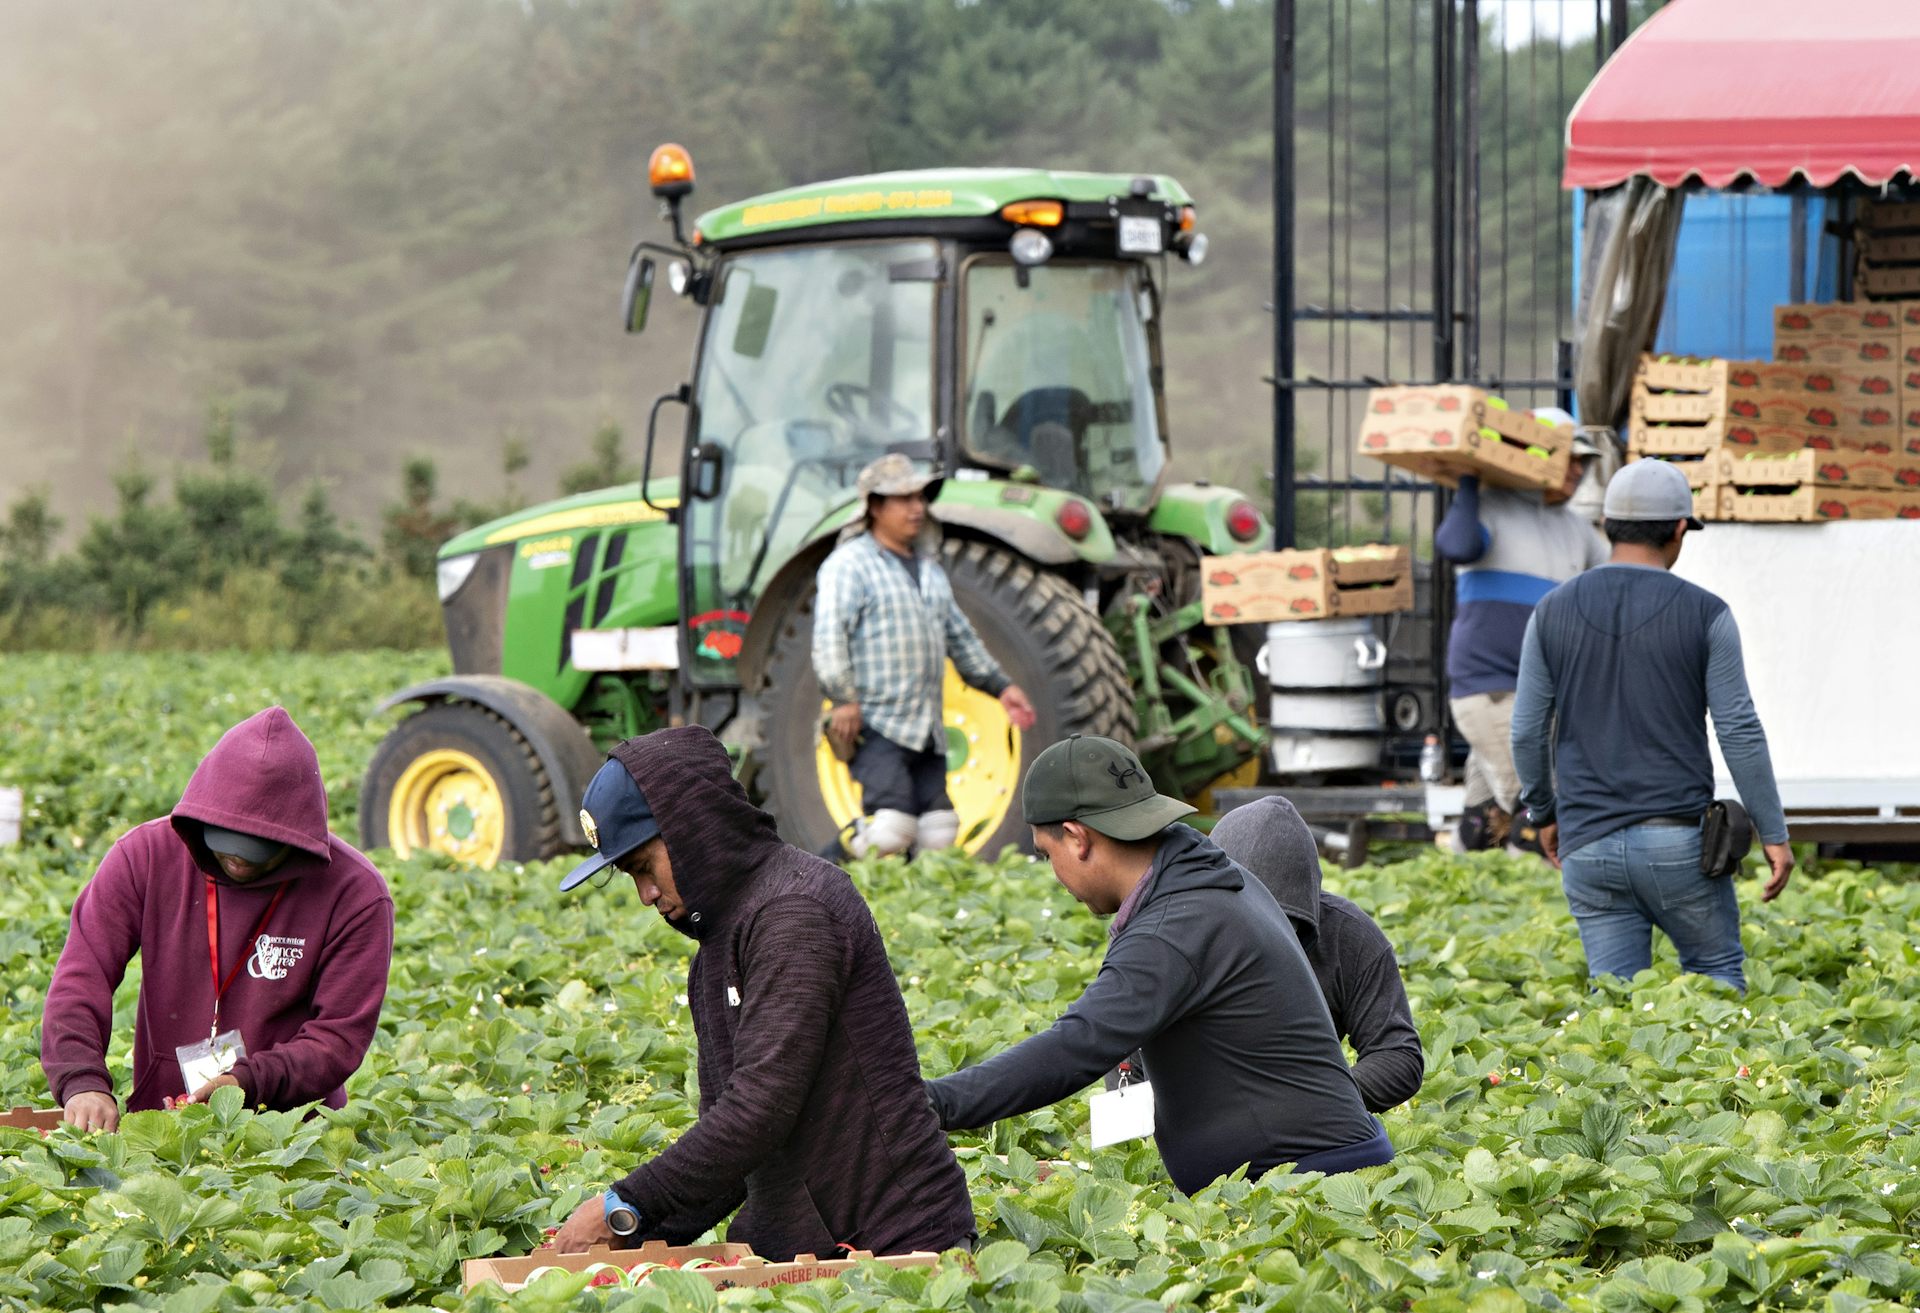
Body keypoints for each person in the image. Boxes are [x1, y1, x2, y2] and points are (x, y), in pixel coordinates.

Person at [550, 726, 976, 1260]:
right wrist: (627, 1239)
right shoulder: (715, 949)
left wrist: (625, 1204)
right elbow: (731, 1156)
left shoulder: (795, 912)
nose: (645, 895)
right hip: (799, 1260)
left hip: (896, 1248)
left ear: (692, 830)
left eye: (643, 867)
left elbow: (761, 1107)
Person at [924, 735, 1392, 1191]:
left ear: (1076, 837)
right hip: (1310, 1171)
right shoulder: (1216, 879)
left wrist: (931, 1104)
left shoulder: (1175, 926)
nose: (1055, 874)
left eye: (1047, 855)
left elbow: (1076, 1046)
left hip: (1309, 1186)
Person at [1510, 459, 1793, 992]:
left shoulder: (1550, 611)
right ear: (1680, 528)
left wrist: (1544, 811)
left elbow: (1526, 730)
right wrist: (1773, 832)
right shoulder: (1707, 613)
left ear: (1607, 525)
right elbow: (1738, 728)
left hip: (1587, 846)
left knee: (1616, 1005)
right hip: (1679, 845)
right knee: (1715, 980)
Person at [42, 707, 394, 1131]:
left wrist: (246, 1081)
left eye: (256, 851)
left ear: (297, 840)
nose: (237, 860)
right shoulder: (145, 858)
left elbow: (336, 1039)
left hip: (296, 1137)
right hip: (162, 1128)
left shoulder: (356, 895)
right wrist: (82, 1082)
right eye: (225, 843)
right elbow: (83, 975)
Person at [812, 453, 1037, 859]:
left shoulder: (929, 571)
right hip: (876, 722)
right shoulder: (849, 565)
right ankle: (821, 871)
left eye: (920, 498)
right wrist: (843, 699)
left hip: (926, 727)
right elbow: (829, 638)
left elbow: (960, 637)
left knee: (939, 833)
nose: (917, 508)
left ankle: (911, 908)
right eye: (904, 500)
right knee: (891, 829)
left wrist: (1000, 687)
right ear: (876, 507)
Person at [1434, 430, 1609, 853]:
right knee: (1539, 813)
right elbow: (1455, 544)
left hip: (1541, 693)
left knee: (1483, 822)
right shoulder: (1491, 510)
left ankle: (1466, 880)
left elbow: (1612, 584)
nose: (1577, 470)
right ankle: (1533, 893)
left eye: (1583, 462)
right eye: (1567, 458)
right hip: (1492, 688)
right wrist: (1471, 482)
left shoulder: (1576, 530)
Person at [1211, 796, 1424, 1112]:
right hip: (1203, 1115)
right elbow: (1133, 1067)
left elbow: (1397, 1055)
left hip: (1311, 1116)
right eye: (1247, 918)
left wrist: (1312, 1101)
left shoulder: (1347, 936)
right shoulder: (1171, 935)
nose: (1263, 935)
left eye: (1282, 922)